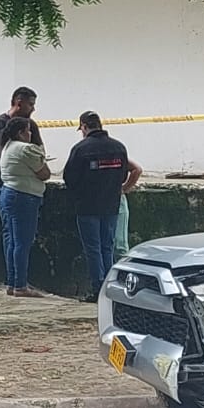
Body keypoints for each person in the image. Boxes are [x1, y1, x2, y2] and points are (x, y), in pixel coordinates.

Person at [63, 111, 138, 301]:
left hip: (87, 206)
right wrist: (122, 188)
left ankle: (98, 288)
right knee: (108, 247)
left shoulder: (80, 149)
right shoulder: (118, 147)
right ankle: (110, 287)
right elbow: (124, 174)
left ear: (85, 127)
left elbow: (69, 178)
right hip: (111, 205)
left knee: (93, 249)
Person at [0, 86, 41, 289]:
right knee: (12, 234)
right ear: (18, 103)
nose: (33, 109)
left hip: (27, 185)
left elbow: (39, 150)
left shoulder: (32, 125)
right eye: (31, 105)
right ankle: (15, 281)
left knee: (18, 236)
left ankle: (16, 281)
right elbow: (4, 157)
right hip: (3, 184)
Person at [0, 116, 50, 297]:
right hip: (25, 196)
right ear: (21, 132)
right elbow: (44, 174)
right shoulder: (26, 149)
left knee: (13, 241)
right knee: (23, 242)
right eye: (28, 130)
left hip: (9, 193)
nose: (30, 134)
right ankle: (21, 285)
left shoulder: (7, 146)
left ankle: (13, 282)